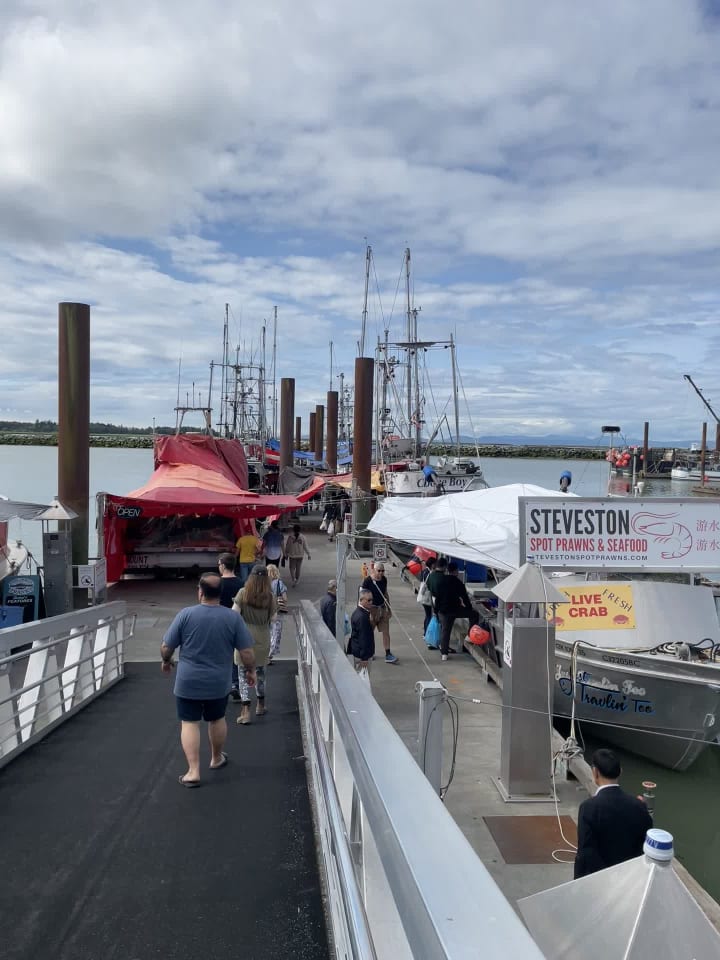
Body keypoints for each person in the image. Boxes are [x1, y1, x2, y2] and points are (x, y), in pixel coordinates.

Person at [160, 572, 256, 787]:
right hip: (218, 682)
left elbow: (167, 646)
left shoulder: (185, 614)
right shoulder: (233, 618)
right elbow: (247, 652)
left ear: (200, 592)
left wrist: (166, 661)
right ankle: (216, 758)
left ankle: (193, 771)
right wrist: (251, 671)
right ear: (220, 594)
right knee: (217, 718)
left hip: (188, 681)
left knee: (189, 722)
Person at [574, 748, 653, 879]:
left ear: (595, 772)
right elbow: (645, 844)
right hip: (630, 878)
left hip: (599, 879)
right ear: (620, 771)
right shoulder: (639, 806)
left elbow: (585, 852)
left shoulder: (588, 808)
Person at [232, 564, 277, 724]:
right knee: (261, 674)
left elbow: (234, 614)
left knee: (242, 674)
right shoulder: (270, 597)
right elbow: (274, 619)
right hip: (263, 637)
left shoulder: (242, 593)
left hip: (244, 638)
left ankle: (245, 712)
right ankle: (260, 705)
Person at [433, 561, 479, 661]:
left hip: (443, 610)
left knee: (445, 631)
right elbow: (465, 598)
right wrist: (469, 608)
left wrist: (436, 611)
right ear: (456, 571)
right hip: (455, 609)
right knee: (474, 615)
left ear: (447, 570)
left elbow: (437, 598)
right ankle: (469, 636)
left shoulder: (441, 581)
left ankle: (444, 653)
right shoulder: (458, 583)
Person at [218, 552, 244, 701]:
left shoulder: (217, 583)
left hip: (219, 623)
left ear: (222, 565)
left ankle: (221, 685)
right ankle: (235, 684)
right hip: (236, 624)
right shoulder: (241, 584)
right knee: (235, 656)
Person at [361, 562, 398, 663]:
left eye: (383, 571)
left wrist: (389, 608)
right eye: (379, 571)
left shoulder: (384, 579)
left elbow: (385, 593)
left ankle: (388, 654)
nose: (381, 573)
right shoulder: (367, 581)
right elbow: (362, 597)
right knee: (369, 632)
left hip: (382, 608)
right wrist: (365, 612)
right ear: (374, 570)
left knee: (386, 632)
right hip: (371, 609)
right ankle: (369, 652)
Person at [348, 589, 375, 668]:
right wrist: (364, 658)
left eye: (372, 600)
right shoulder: (362, 617)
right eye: (369, 600)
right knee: (363, 675)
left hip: (358, 652)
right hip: (361, 656)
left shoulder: (359, 612)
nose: (371, 602)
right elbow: (363, 638)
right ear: (361, 600)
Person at [266, 563, 287, 662]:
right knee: (276, 633)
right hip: (277, 611)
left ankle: (266, 654)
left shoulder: (263, 584)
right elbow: (285, 598)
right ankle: (269, 655)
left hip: (266, 611)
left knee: (268, 632)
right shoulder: (279, 583)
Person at [419, 556, 436, 633]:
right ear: (432, 564)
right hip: (427, 597)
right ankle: (426, 633)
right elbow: (430, 585)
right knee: (429, 615)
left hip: (423, 596)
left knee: (427, 615)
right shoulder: (430, 573)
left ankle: (425, 633)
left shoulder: (424, 571)